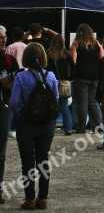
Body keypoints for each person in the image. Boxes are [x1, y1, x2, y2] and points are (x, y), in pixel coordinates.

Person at [11, 43, 58, 210]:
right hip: (47, 124)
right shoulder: (50, 76)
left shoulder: (21, 77)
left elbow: (15, 101)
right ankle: (43, 198)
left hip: (27, 122)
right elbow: (56, 98)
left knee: (27, 161)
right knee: (43, 159)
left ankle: (29, 198)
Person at [70, 23, 104, 134]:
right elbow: (102, 57)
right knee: (92, 101)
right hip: (94, 76)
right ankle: (98, 125)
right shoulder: (96, 43)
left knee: (82, 102)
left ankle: (81, 127)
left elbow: (73, 61)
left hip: (81, 76)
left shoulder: (76, 44)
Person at [0, 26, 19, 205]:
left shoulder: (9, 60)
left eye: (4, 37)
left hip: (3, 108)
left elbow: (16, 85)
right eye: (0, 38)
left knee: (1, 152)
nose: (3, 40)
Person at [46, 35, 74, 135]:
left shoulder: (49, 54)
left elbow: (47, 68)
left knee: (52, 105)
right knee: (64, 106)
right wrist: (70, 79)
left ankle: (51, 128)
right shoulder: (67, 54)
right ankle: (68, 128)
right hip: (64, 82)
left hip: (52, 81)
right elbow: (73, 67)